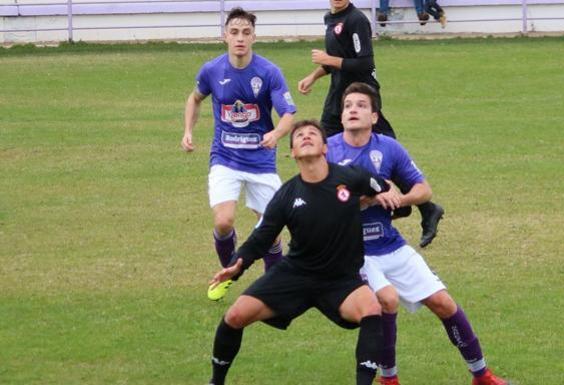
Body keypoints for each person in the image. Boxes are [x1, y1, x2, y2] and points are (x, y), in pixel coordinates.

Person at [326, 83, 511, 385]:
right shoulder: (328, 149)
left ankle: (482, 375)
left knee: (444, 303)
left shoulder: (388, 147)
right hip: (354, 251)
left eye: (361, 105)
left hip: (391, 244)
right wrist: (373, 195)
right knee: (387, 302)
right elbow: (326, 203)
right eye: (348, 106)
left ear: (374, 116)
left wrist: (400, 199)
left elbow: (424, 190)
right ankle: (389, 379)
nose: (352, 110)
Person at [206, 119, 393, 385]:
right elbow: (263, 236)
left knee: (372, 308)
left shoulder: (350, 177)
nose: (305, 137)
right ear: (293, 152)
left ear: (325, 148)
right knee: (235, 315)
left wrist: (386, 194)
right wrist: (238, 264)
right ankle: (216, 381)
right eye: (299, 135)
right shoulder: (286, 194)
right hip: (295, 273)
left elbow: (382, 188)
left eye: (313, 134)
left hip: (341, 280)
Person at [297, 0, 444, 248]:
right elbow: (340, 58)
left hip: (362, 98)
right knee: (327, 150)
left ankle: (416, 206)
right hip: (339, 99)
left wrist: (328, 60)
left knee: (385, 151)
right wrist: (313, 76)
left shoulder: (356, 20)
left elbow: (364, 63)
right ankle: (419, 207)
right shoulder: (330, 18)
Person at [181, 8, 296, 300]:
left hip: (261, 160)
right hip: (225, 158)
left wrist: (277, 133)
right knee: (223, 221)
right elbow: (194, 99)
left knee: (270, 228)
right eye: (234, 32)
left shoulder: (268, 72)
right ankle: (228, 273)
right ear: (225, 36)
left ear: (254, 37)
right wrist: (188, 131)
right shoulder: (212, 70)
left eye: (246, 33)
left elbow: (288, 115)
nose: (240, 38)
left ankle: (273, 290)